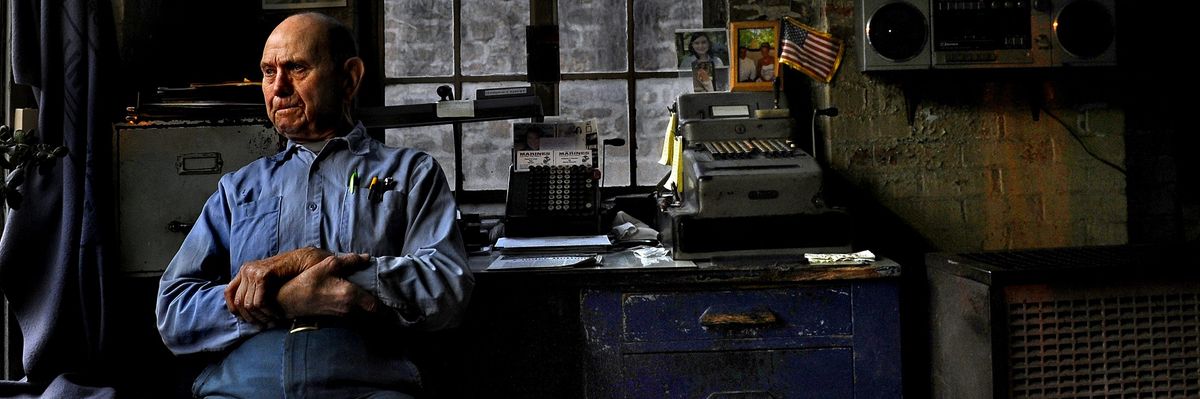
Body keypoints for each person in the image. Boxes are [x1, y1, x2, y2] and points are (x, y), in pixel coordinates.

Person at [156, 12, 473, 399]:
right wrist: (285, 299)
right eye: (268, 72)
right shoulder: (238, 189)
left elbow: (447, 287)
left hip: (368, 389)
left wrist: (330, 274)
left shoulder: (411, 173)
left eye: (297, 68)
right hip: (241, 391)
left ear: (349, 78)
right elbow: (174, 311)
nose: (279, 87)